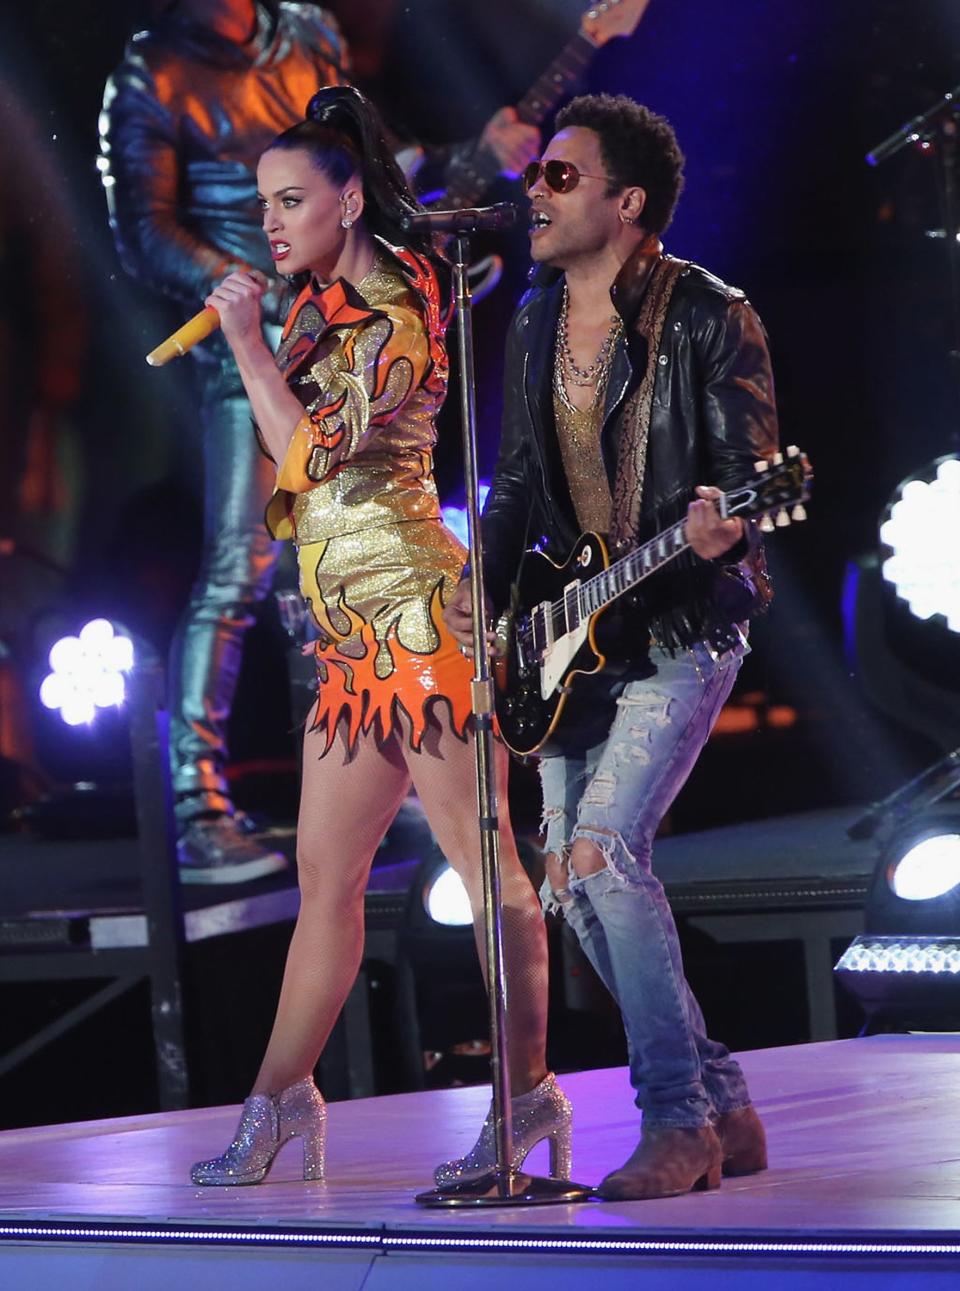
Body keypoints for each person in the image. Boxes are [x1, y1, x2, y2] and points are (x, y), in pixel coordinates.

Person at [188, 86, 565, 1187]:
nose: (270, 221)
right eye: (262, 202)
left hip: (422, 619)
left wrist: (250, 348)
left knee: (485, 859)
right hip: (351, 637)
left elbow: (309, 459)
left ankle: (528, 1095)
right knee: (326, 881)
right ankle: (282, 1096)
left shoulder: (399, 307)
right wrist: (264, 344)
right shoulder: (320, 311)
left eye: (291, 198)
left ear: (349, 200)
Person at [99, 0, 539, 883]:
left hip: (334, 328)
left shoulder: (306, 33)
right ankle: (199, 806)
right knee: (243, 565)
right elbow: (142, 230)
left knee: (352, 536)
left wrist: (473, 156)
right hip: (253, 342)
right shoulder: (152, 73)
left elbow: (373, 166)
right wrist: (246, 298)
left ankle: (405, 767)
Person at [445, 93, 778, 1200]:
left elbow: (745, 474)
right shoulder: (537, 313)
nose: (533, 191)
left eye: (560, 176)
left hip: (683, 624)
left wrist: (721, 523)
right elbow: (522, 488)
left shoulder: (708, 316)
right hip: (567, 640)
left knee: (602, 855)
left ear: (626, 205)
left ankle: (677, 1121)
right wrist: (490, 603)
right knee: (572, 885)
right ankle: (724, 1103)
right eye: (537, 173)